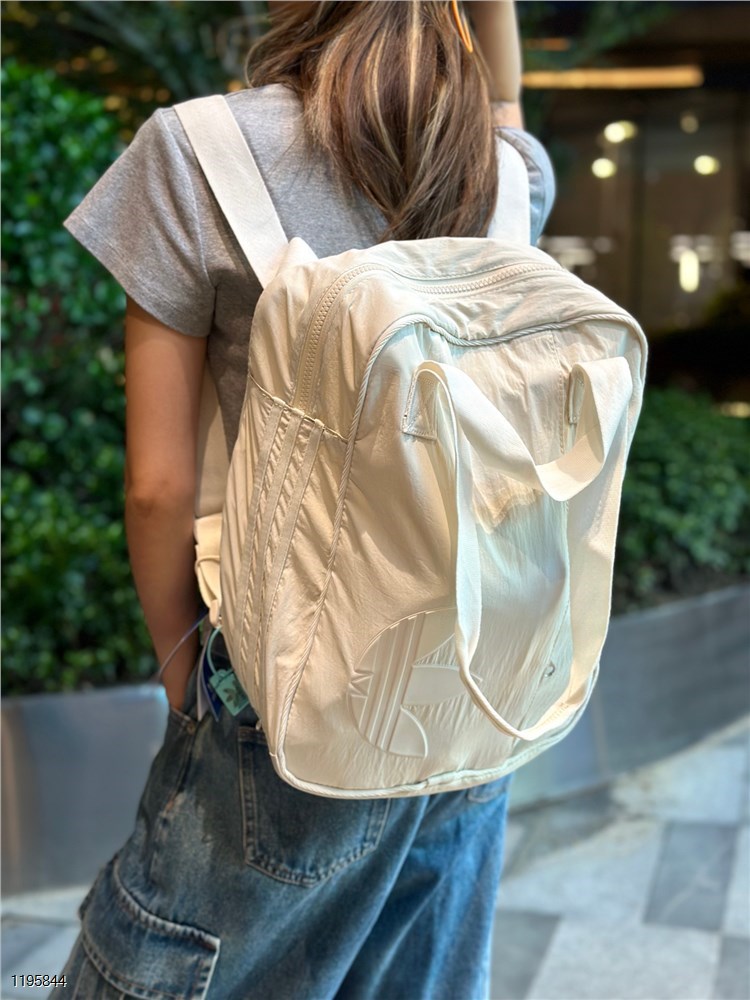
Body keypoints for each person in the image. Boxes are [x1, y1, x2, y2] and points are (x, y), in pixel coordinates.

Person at [55, 2, 555, 997]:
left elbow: (158, 488)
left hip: (280, 689)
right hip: (470, 686)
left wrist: (189, 693)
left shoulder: (198, 151)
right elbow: (503, 98)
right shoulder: (503, 174)